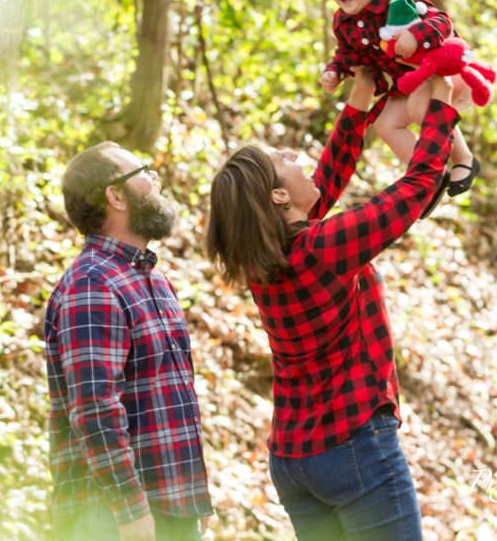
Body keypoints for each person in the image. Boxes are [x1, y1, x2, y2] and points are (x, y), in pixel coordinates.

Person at [204, 68, 468, 540]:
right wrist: (441, 100)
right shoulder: (324, 248)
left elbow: (325, 180)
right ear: (279, 195)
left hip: (292, 458)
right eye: (280, 159)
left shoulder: (263, 258)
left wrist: (360, 98)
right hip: (353, 448)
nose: (290, 153)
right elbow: (419, 183)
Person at [44, 142, 213, 541]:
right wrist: (130, 511)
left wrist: (193, 501)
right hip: (113, 518)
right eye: (143, 171)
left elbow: (171, 399)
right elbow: (94, 406)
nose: (155, 178)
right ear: (115, 196)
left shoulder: (150, 278)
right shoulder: (93, 284)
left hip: (169, 508)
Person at [320, 0, 496, 216]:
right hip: (407, 82)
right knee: (386, 125)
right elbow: (347, 53)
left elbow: (442, 22)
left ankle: (464, 158)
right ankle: (431, 179)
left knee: (418, 106)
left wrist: (416, 36)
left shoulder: (398, 1)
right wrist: (336, 71)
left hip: (439, 72)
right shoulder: (343, 23)